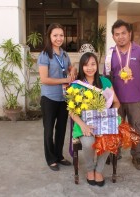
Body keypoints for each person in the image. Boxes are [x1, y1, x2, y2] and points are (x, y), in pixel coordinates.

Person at [104, 19, 140, 170]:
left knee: (137, 128)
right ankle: (115, 153)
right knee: (115, 127)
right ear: (113, 37)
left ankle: (137, 156)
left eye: (123, 33)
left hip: (135, 99)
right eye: (117, 34)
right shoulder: (110, 55)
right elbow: (106, 78)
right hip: (116, 100)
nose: (121, 37)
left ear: (129, 34)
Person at [70, 52, 120, 186]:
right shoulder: (76, 85)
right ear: (81, 67)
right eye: (86, 65)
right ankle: (90, 169)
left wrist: (109, 114)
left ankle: (99, 170)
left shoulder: (105, 81)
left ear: (97, 65)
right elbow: (72, 111)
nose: (90, 68)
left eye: (93, 64)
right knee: (88, 143)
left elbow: (116, 102)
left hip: (103, 122)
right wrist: (83, 126)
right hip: (84, 123)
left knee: (108, 140)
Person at [38, 23, 76, 171]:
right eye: (55, 35)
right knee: (48, 130)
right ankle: (50, 158)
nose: (59, 38)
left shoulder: (64, 54)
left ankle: (59, 155)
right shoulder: (44, 55)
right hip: (49, 98)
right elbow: (44, 79)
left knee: (61, 129)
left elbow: (68, 67)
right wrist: (65, 80)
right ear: (49, 36)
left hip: (63, 98)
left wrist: (73, 69)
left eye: (61, 35)